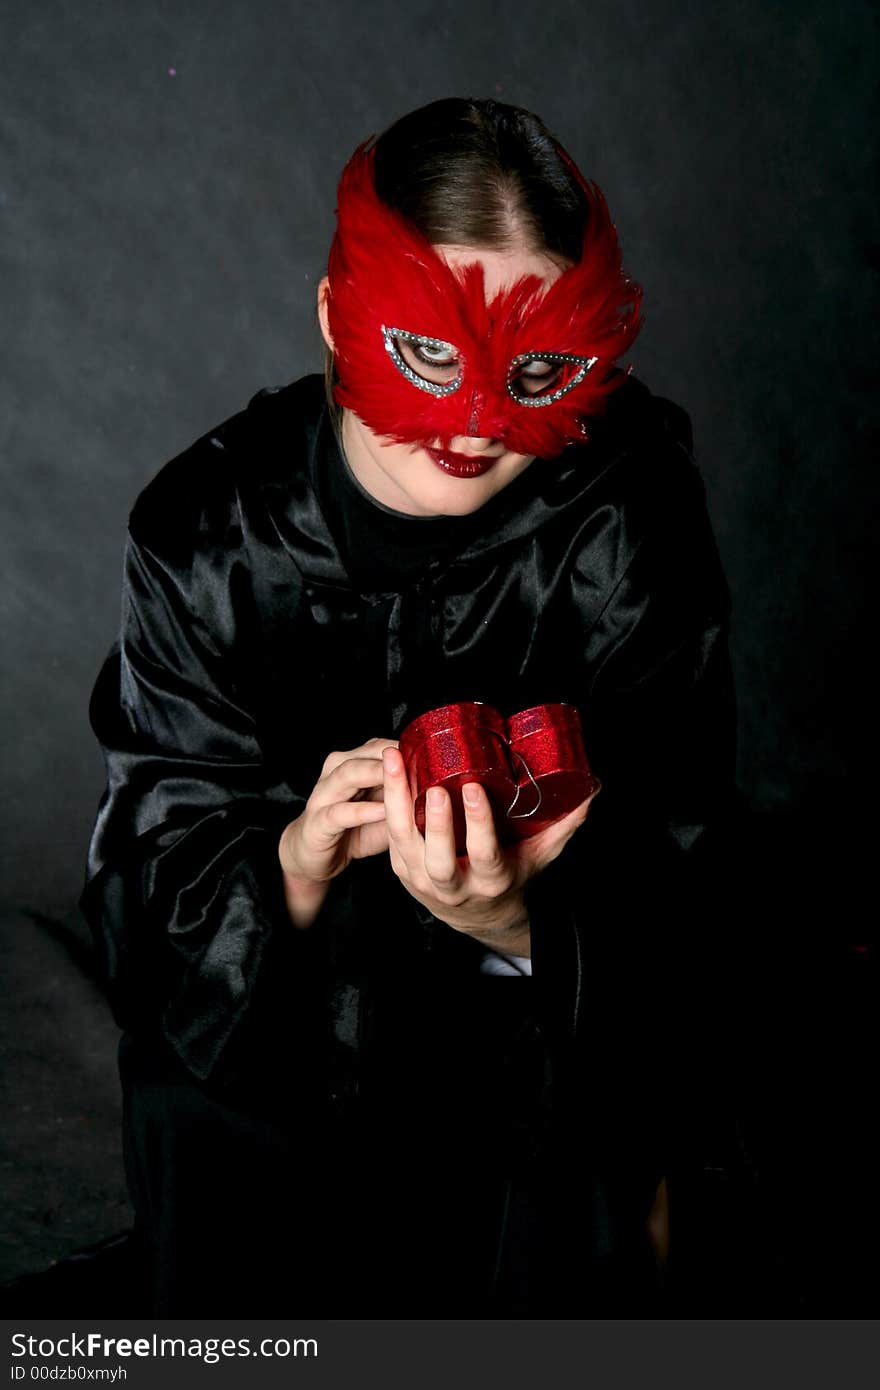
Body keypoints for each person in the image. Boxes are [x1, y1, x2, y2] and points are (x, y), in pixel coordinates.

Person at [79, 97, 746, 1317]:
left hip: (536, 1049)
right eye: (430, 352)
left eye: (533, 368)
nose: (479, 419)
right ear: (339, 313)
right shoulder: (208, 533)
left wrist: (514, 927)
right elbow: (145, 873)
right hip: (278, 1033)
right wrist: (286, 866)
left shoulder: (622, 515)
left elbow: (694, 871)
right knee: (212, 1130)